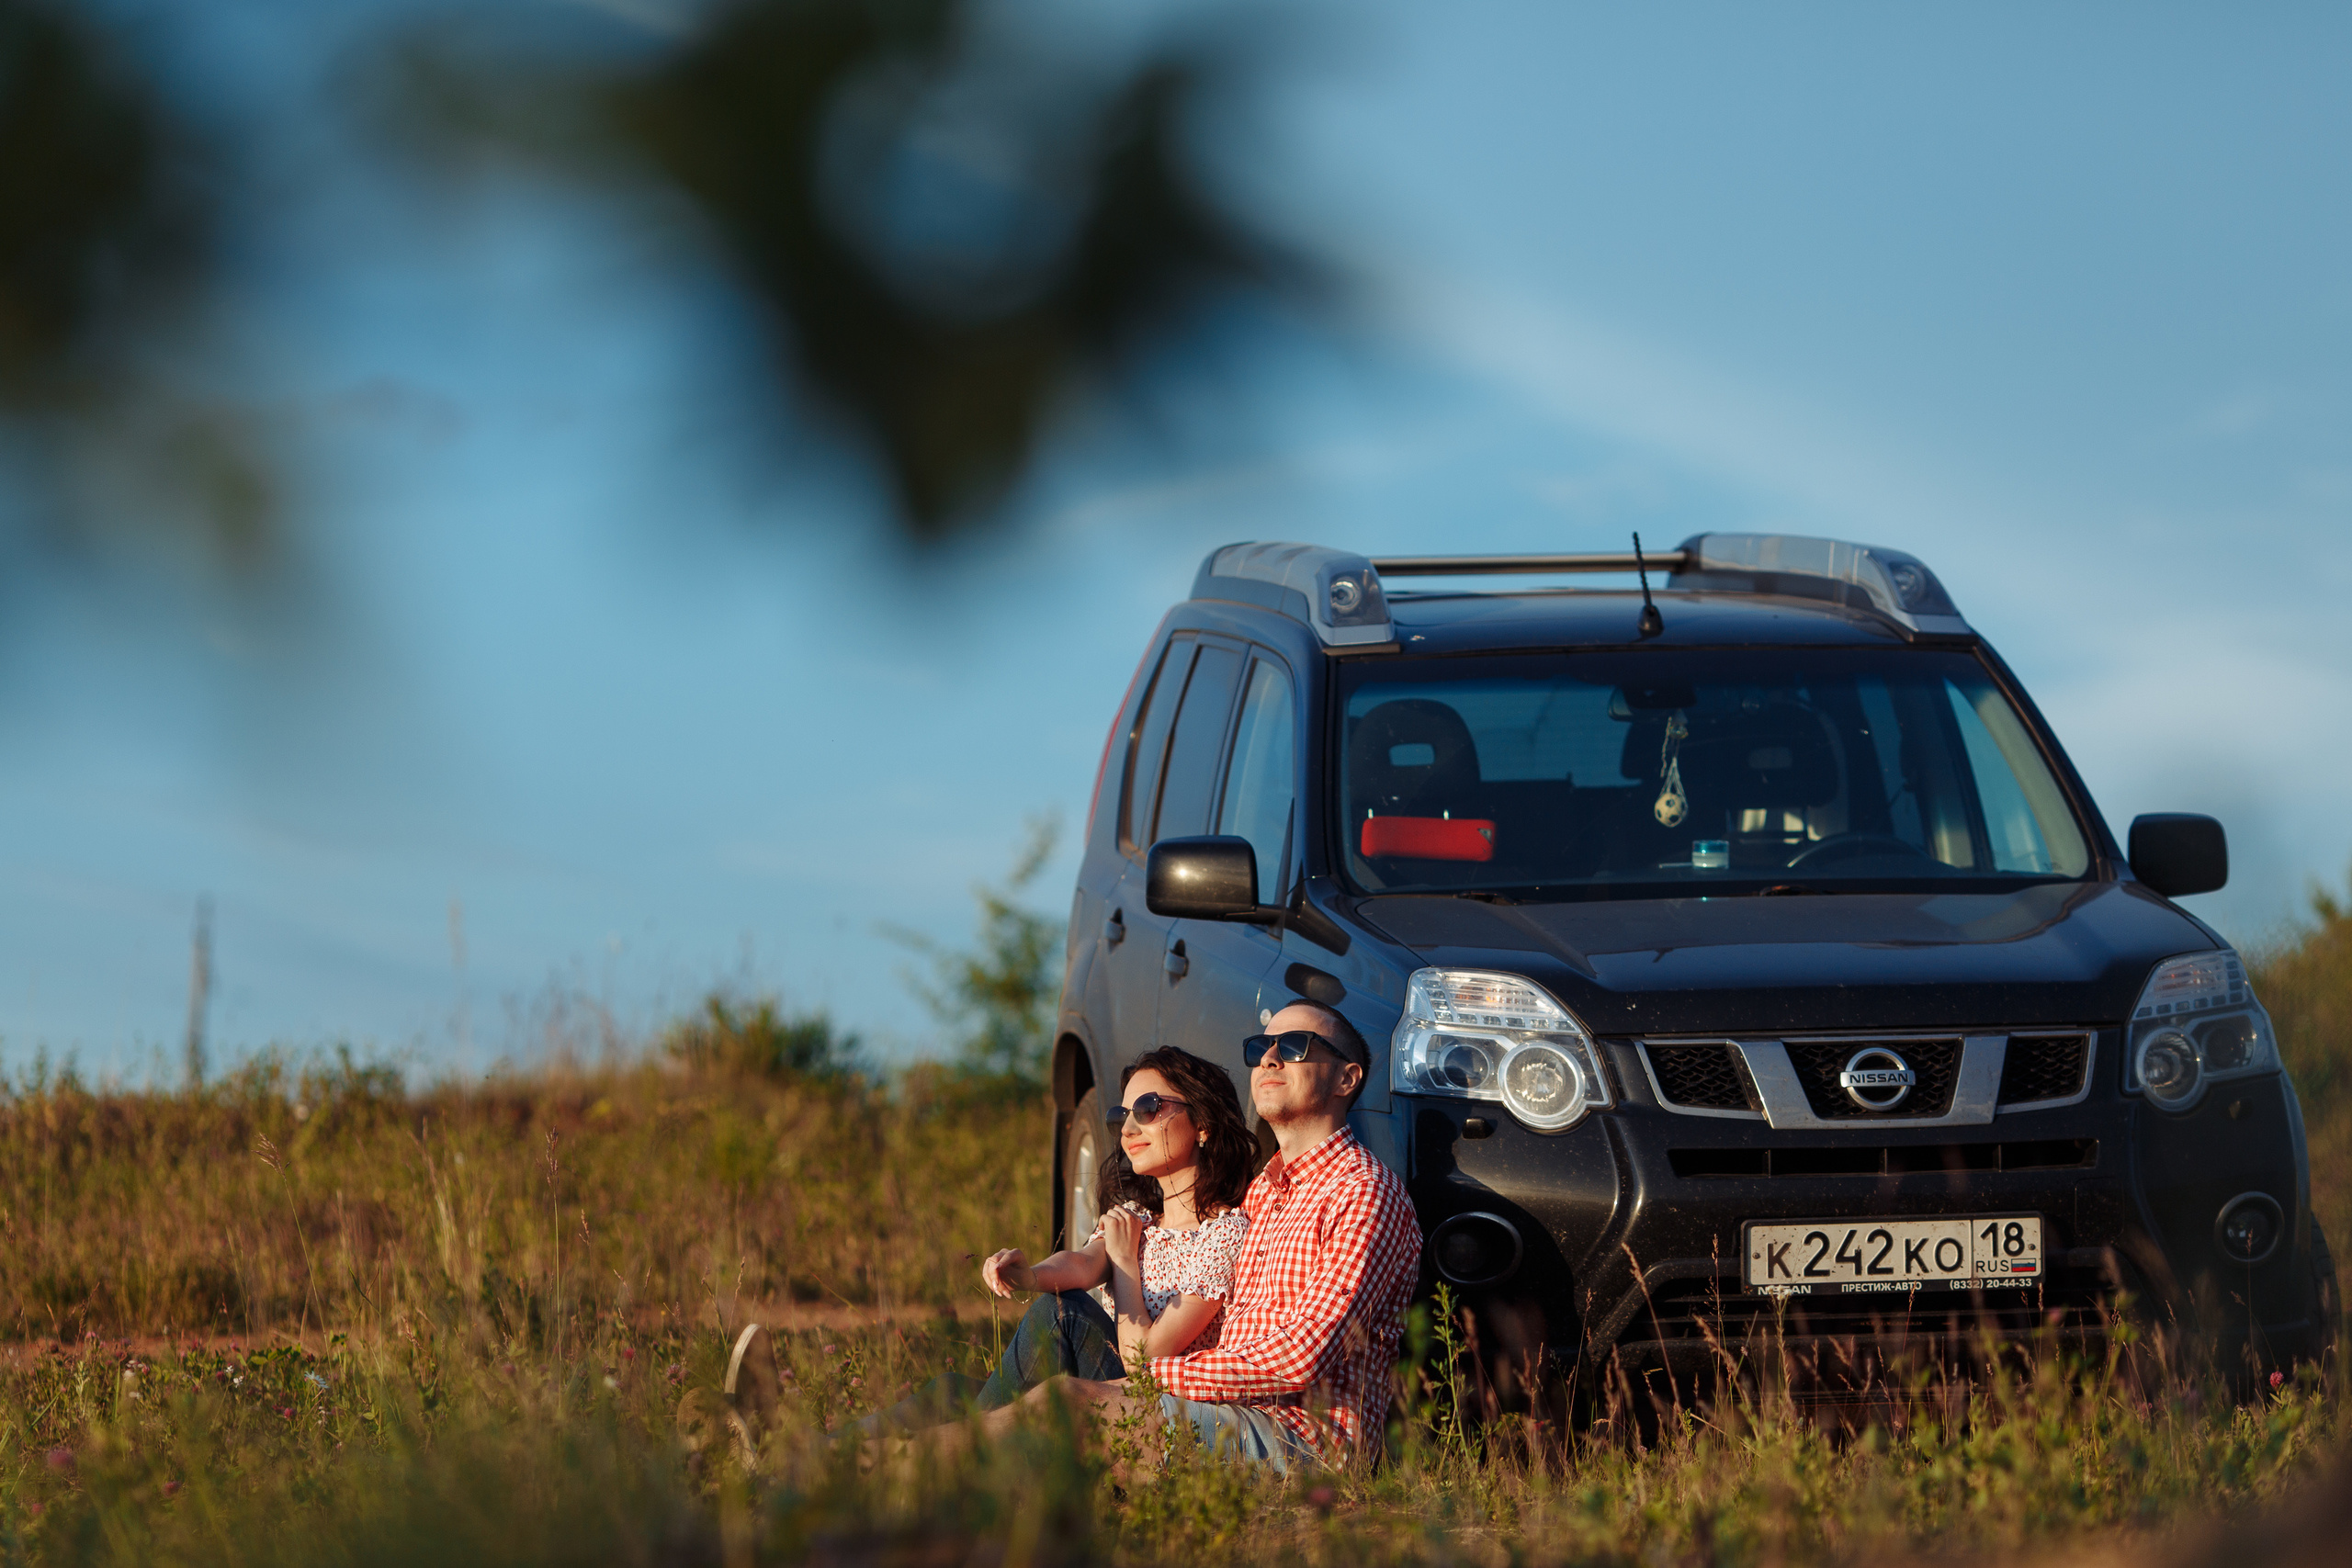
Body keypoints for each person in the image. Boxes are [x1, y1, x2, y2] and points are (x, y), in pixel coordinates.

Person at [924, 999, 1423, 1472]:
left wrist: (1147, 1377)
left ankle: (910, 1476)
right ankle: (894, 1465)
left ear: (1346, 1078)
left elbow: (1299, 1359)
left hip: (1297, 1437)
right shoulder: (1263, 1192)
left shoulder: (1363, 1192)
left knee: (1068, 1404)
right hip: (1218, 1404)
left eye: (1294, 1046)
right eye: (1260, 1047)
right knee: (977, 1377)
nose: (1269, 1058)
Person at [689, 1045, 1256, 1454]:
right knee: (954, 1391)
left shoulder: (1224, 1234)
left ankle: (844, 1464)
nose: (1129, 1126)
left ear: (1203, 1123)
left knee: (1063, 1313)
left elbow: (1145, 1363)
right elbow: (1083, 1264)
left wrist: (1126, 1267)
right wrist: (1030, 1273)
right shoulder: (1138, 1217)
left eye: (1149, 1108)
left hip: (1138, 1406)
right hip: (1096, 1374)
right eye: (1122, 1114)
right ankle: (805, 1452)